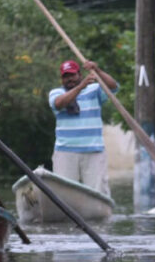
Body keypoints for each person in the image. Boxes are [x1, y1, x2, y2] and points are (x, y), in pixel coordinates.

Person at [48, 59, 119, 196]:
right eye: (66, 76)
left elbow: (113, 87)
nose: (70, 79)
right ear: (62, 79)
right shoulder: (56, 93)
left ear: (79, 75)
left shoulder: (94, 90)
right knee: (63, 193)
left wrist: (97, 70)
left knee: (98, 192)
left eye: (72, 75)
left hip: (94, 151)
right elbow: (59, 104)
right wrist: (80, 87)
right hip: (65, 152)